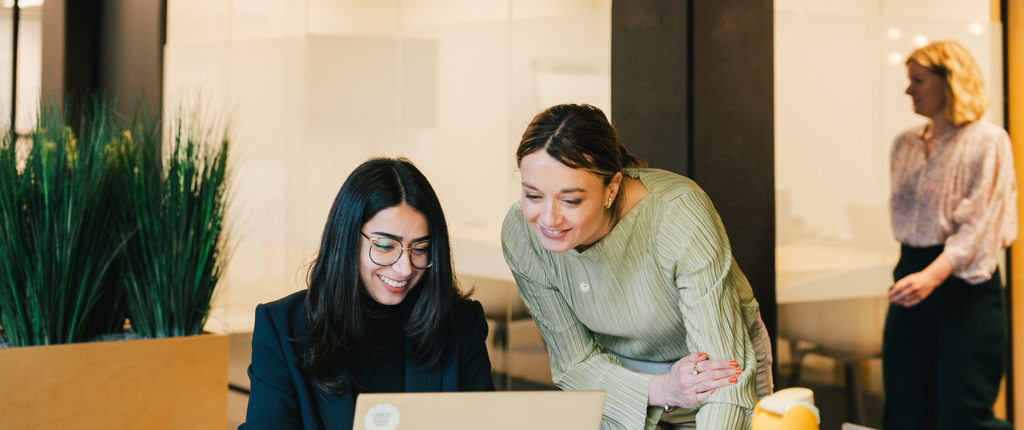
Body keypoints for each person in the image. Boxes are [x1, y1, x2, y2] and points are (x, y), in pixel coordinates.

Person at [500, 103, 773, 430]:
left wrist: (678, 387)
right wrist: (661, 388)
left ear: (611, 189)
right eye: (533, 196)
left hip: (714, 371)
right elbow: (574, 364)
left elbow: (723, 382)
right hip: (618, 382)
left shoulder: (678, 212)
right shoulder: (522, 235)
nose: (548, 219)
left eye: (571, 200)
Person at [241, 157, 495, 430]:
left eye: (420, 249)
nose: (405, 268)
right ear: (347, 238)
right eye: (385, 245)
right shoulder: (282, 327)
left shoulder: (461, 324)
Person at [884, 40, 1016, 429]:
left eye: (918, 80)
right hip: (911, 272)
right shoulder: (904, 143)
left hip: (966, 286)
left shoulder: (988, 140)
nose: (908, 90)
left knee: (963, 411)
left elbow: (981, 226)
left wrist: (932, 275)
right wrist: (918, 275)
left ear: (951, 80)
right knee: (906, 406)